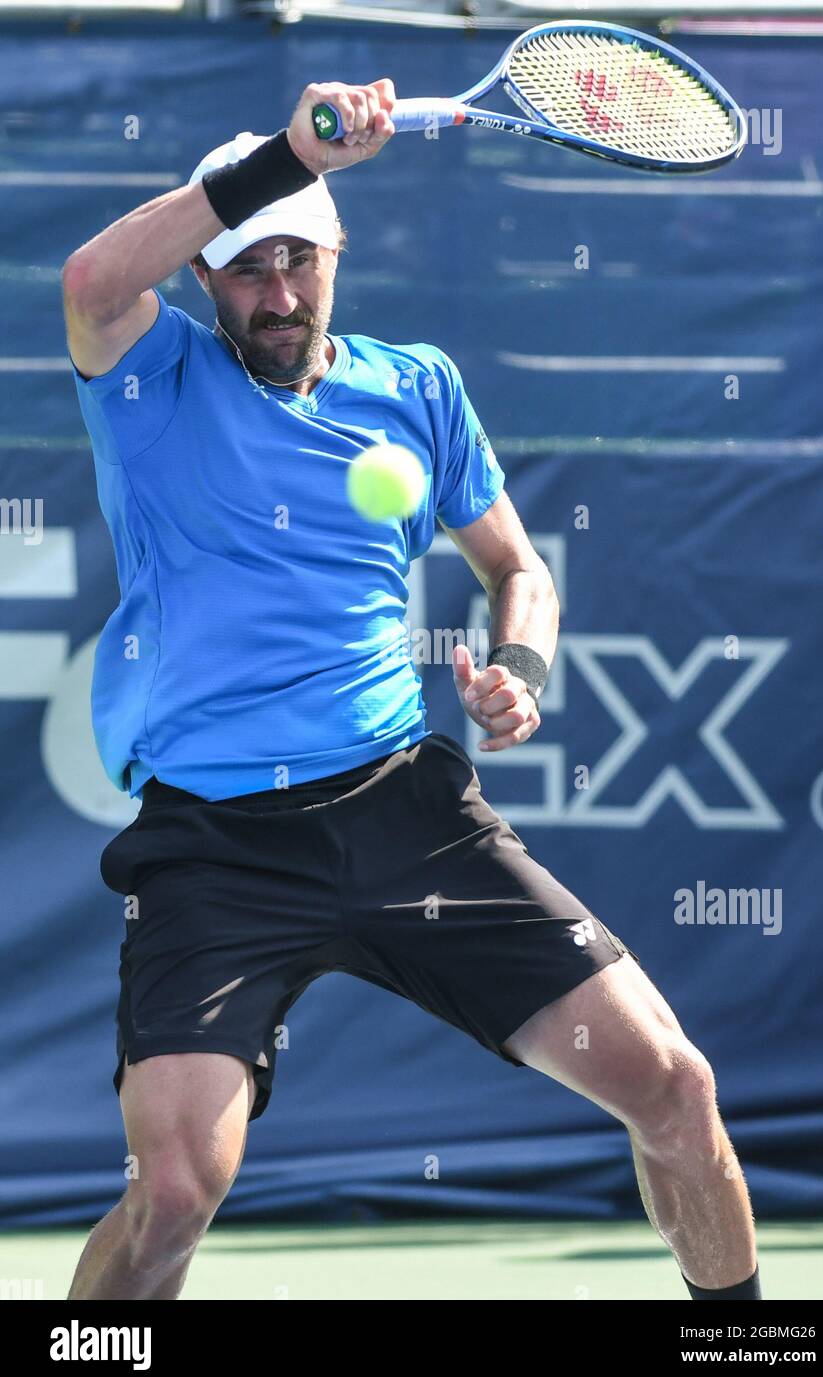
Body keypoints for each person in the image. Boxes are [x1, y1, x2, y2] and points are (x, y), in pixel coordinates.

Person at [62, 78, 760, 1301]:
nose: (277, 294)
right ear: (205, 282)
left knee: (674, 1086)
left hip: (404, 815)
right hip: (212, 850)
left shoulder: (417, 386)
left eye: (298, 259)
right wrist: (284, 151)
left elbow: (517, 569)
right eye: (244, 270)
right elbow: (90, 283)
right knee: (171, 1191)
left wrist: (521, 670)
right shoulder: (151, 378)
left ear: (337, 251)